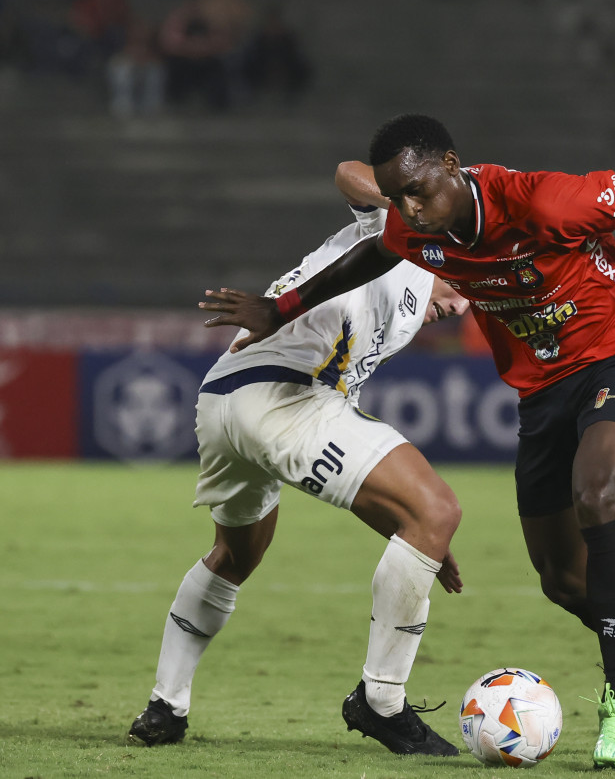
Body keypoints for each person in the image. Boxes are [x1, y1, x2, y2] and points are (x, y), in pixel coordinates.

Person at [196, 113, 615, 769]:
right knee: (562, 579)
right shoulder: (417, 224)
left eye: (419, 189)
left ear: (451, 163)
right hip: (543, 392)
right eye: (398, 196)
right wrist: (280, 307)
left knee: (600, 493)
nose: (410, 208)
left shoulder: (542, 201)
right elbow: (376, 250)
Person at [129, 179, 471, 758]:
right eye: (462, 290)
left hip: (223, 401)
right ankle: (382, 700)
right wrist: (408, 207)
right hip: (282, 399)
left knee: (236, 554)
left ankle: (166, 705)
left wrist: (413, 532)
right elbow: (348, 171)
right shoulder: (398, 240)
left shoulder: (411, 316)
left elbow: (370, 487)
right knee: (437, 507)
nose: (461, 307)